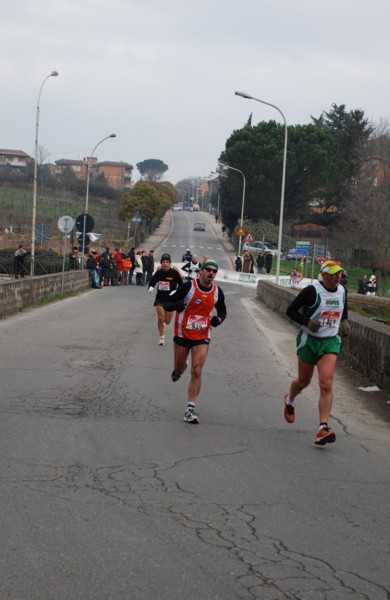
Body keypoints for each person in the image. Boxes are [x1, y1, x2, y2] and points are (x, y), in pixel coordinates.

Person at [284, 260, 350, 446]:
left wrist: (345, 321)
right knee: (303, 382)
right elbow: (290, 310)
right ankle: (290, 399)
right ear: (325, 275)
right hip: (309, 342)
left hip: (330, 341)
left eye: (340, 274)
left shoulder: (342, 290)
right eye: (335, 274)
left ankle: (323, 427)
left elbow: (343, 307)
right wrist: (307, 321)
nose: (338, 277)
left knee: (326, 383)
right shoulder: (312, 291)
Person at [163, 259, 227, 424]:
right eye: (208, 270)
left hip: (202, 334)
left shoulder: (217, 292)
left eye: (214, 271)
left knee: (197, 370)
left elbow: (223, 311)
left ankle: (190, 409)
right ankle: (178, 370)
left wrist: (218, 320)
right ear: (201, 271)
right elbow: (167, 301)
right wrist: (175, 306)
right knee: (179, 368)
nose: (211, 273)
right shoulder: (188, 287)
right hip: (182, 333)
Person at [148, 253, 183, 346]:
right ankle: (162, 338)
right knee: (160, 318)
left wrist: (176, 292)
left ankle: (162, 325)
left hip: (171, 300)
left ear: (170, 263)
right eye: (163, 262)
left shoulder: (174, 273)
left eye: (167, 262)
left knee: (167, 321)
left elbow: (181, 285)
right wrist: (151, 287)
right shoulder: (159, 273)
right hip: (160, 298)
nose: (165, 264)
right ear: (161, 263)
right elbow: (152, 281)